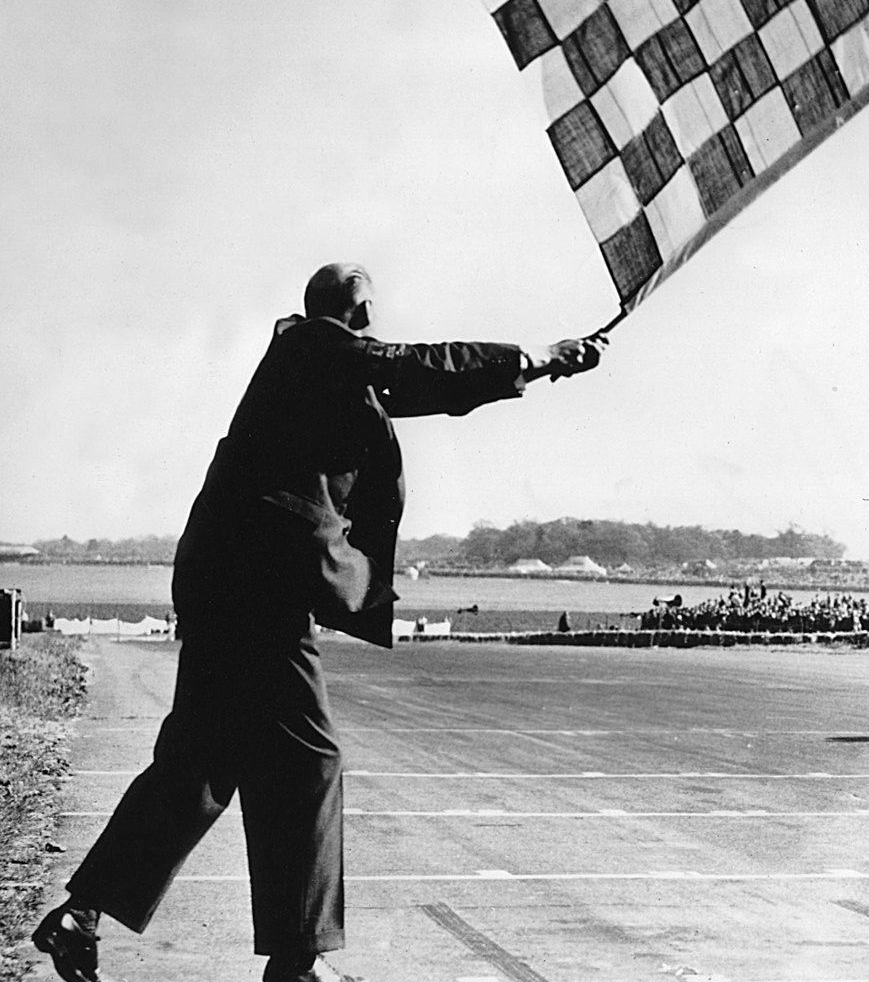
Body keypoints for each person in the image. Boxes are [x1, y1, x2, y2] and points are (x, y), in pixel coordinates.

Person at [32, 263, 604, 982]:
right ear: (356, 310)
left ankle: (81, 916)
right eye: (368, 312)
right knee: (307, 763)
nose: (371, 326)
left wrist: (538, 369)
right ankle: (294, 965)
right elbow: (418, 369)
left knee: (202, 764)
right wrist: (536, 358)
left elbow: (426, 385)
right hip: (256, 587)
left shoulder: (314, 366)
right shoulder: (313, 348)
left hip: (226, 581)